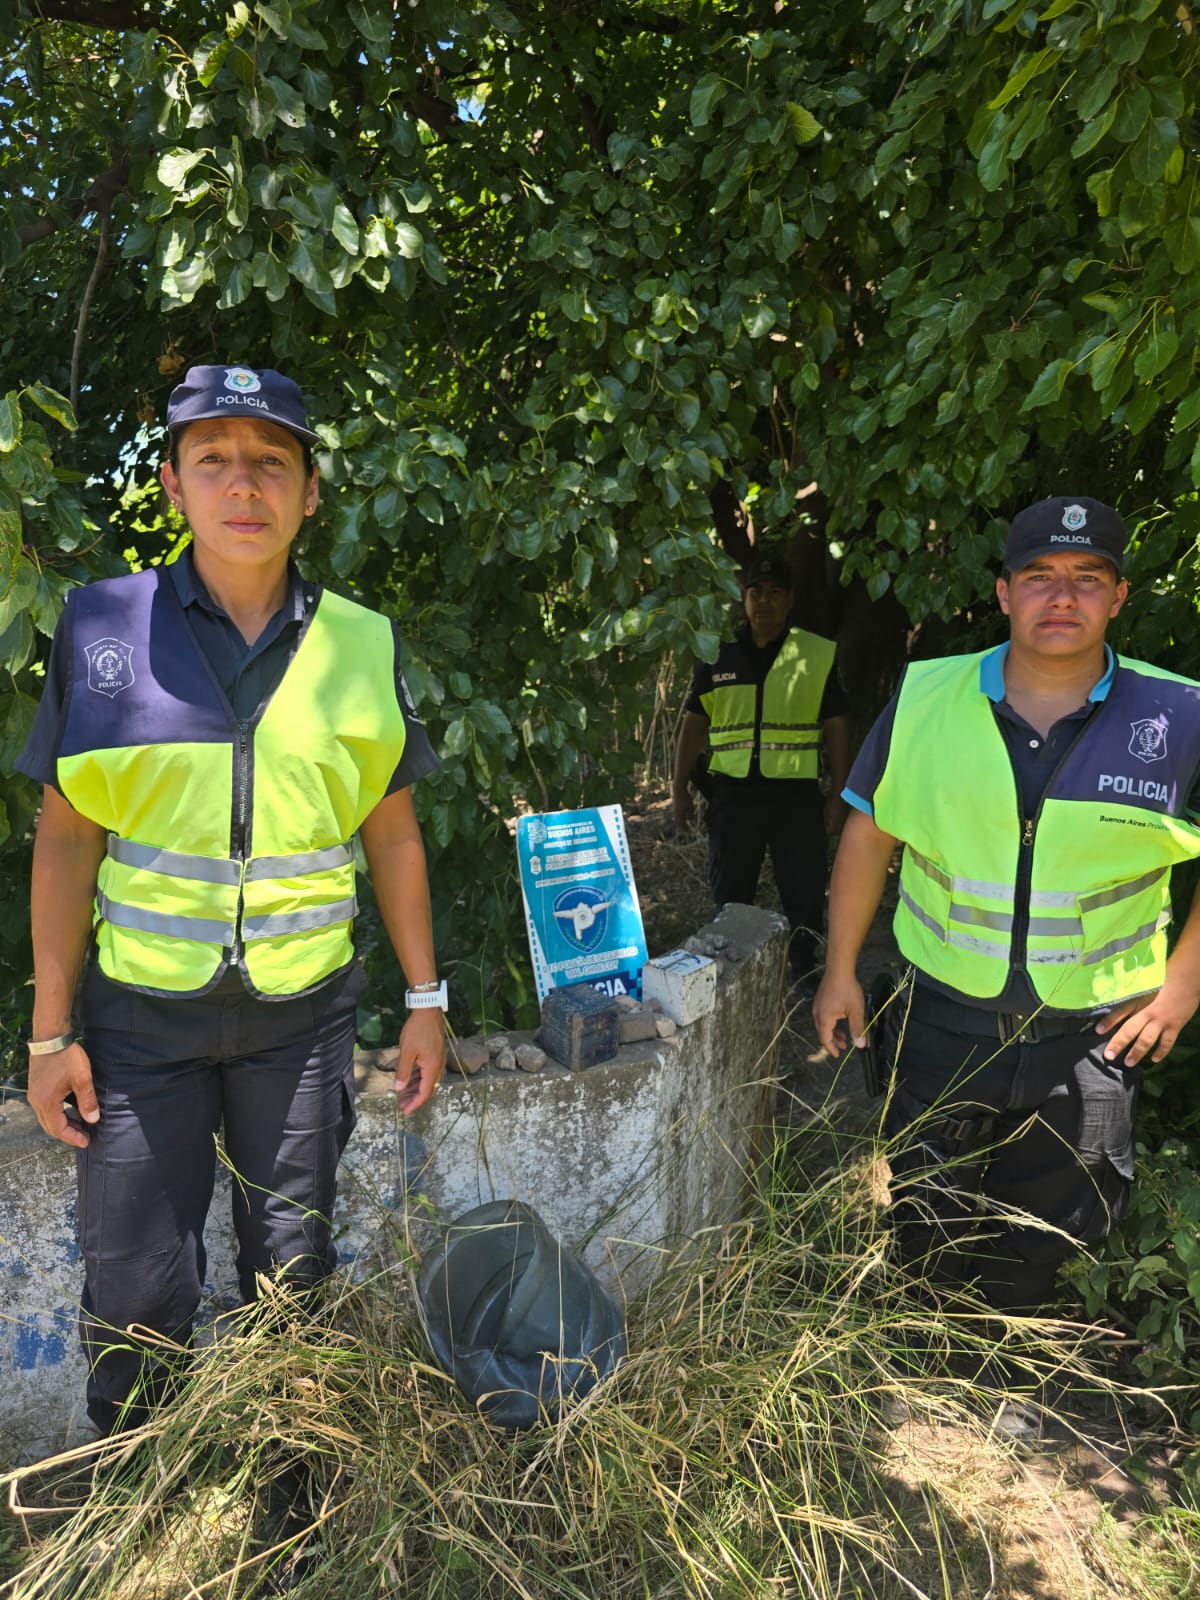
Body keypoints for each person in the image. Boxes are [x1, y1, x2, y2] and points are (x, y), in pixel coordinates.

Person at [18, 364, 447, 1440]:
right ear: (172, 485)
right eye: (213, 460)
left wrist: (427, 997)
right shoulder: (103, 626)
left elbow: (390, 829)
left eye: (271, 461)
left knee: (293, 1280)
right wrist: (48, 1029)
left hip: (300, 1028)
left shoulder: (362, 641)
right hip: (139, 1024)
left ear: (310, 492)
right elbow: (68, 834)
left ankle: (287, 1502)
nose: (242, 484)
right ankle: (141, 1500)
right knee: (134, 1293)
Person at [813, 495, 1200, 1314]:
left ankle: (1011, 1379)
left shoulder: (1182, 714)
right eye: (1040, 577)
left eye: (1087, 578)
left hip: (1095, 1030)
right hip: (941, 1015)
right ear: (1003, 594)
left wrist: (1184, 980)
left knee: (1056, 1229)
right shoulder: (926, 698)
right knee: (928, 1205)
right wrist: (839, 970)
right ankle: (924, 1366)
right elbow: (867, 838)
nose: (1062, 597)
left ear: (1119, 596)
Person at [673, 550, 851, 990]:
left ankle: (804, 968)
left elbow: (837, 727)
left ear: (790, 600)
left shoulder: (814, 654)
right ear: (743, 599)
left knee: (804, 887)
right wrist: (678, 788)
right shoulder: (717, 654)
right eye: (756, 592)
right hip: (733, 795)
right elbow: (692, 726)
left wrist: (838, 794)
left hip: (795, 796)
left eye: (774, 593)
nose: (764, 602)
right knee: (731, 890)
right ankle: (734, 971)